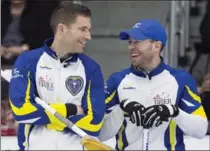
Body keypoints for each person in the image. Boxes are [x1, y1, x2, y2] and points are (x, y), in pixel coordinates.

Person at [98, 19, 208, 150]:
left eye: (137, 42)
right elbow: (100, 134)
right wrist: (121, 110)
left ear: (157, 46)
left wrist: (174, 112)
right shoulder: (116, 80)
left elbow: (201, 130)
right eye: (130, 42)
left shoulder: (181, 80)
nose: (131, 47)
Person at [9, 3, 105, 150]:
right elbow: (21, 111)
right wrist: (70, 110)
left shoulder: (91, 68)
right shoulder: (28, 61)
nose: (88, 36)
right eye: (82, 29)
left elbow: (94, 123)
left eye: (89, 30)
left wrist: (48, 120)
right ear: (62, 29)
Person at [1, 0, 58, 65]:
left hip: (29, 55)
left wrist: (24, 48)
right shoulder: (2, 8)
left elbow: (46, 38)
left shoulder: (41, 9)